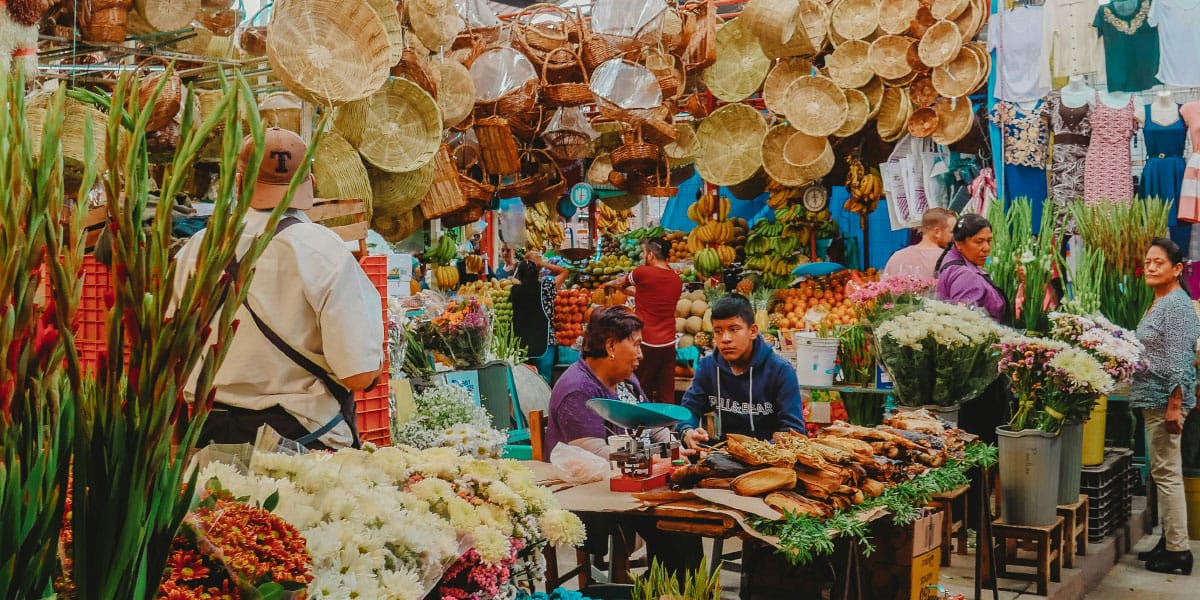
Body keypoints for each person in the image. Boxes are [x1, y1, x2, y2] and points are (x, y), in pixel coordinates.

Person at [174, 128, 384, 451]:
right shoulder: (326, 253)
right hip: (301, 445)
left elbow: (170, 351)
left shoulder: (197, 250)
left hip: (209, 440)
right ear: (310, 185)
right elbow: (359, 374)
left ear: (240, 183)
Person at [544, 306, 701, 579]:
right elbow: (593, 453)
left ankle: (668, 592)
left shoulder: (625, 380)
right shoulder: (577, 389)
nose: (642, 354)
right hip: (594, 493)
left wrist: (677, 449)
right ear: (611, 345)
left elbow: (651, 422)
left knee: (686, 523)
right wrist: (656, 458)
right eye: (637, 345)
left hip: (634, 481)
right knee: (674, 530)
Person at [934, 213, 1009, 530]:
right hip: (978, 377)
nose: (987, 247)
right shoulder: (964, 276)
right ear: (960, 242)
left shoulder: (960, 267)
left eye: (990, 241)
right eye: (980, 241)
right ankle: (977, 515)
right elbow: (967, 327)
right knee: (981, 443)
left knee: (973, 442)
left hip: (973, 376)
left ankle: (973, 512)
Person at [1132, 238, 1199, 575]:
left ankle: (1178, 552)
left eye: (1159, 262)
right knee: (1162, 473)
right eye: (1148, 262)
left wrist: (1175, 404)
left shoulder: (1175, 304)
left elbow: (1180, 359)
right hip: (1155, 398)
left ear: (1176, 269)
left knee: (1168, 474)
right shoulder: (1161, 302)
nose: (1151, 267)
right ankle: (1169, 539)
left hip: (1164, 401)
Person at [677, 295, 806, 451]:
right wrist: (687, 431)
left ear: (752, 331)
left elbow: (794, 430)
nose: (725, 338)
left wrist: (760, 452)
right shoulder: (707, 367)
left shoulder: (780, 370)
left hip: (770, 460)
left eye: (734, 329)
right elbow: (688, 410)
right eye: (718, 331)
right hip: (725, 455)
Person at [604, 238, 683, 404]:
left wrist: (611, 284)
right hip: (668, 344)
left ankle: (644, 427)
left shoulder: (642, 272)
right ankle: (668, 428)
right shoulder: (677, 280)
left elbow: (621, 283)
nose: (643, 256)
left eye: (644, 253)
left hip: (646, 342)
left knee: (641, 389)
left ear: (651, 255)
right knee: (666, 392)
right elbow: (651, 297)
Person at [511, 253, 568, 382]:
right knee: (544, 383)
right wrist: (541, 264)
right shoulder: (546, 287)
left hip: (521, 346)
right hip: (545, 344)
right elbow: (564, 272)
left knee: (525, 384)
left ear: (519, 276)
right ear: (538, 273)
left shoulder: (513, 290)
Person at [883, 208, 958, 279]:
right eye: (952, 232)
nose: (956, 236)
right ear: (937, 232)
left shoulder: (896, 257)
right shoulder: (948, 259)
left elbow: (883, 289)